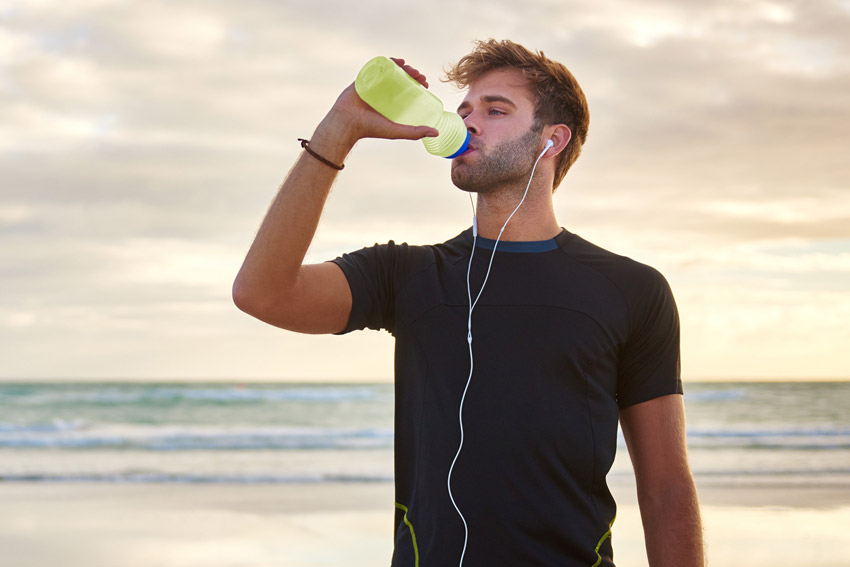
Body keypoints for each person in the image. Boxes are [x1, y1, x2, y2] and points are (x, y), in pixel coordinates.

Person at [233, 39, 704, 567]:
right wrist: (338, 130)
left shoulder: (631, 289)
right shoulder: (407, 275)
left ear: (552, 139)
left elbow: (666, 486)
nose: (468, 121)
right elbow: (262, 292)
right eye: (464, 110)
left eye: (495, 109)